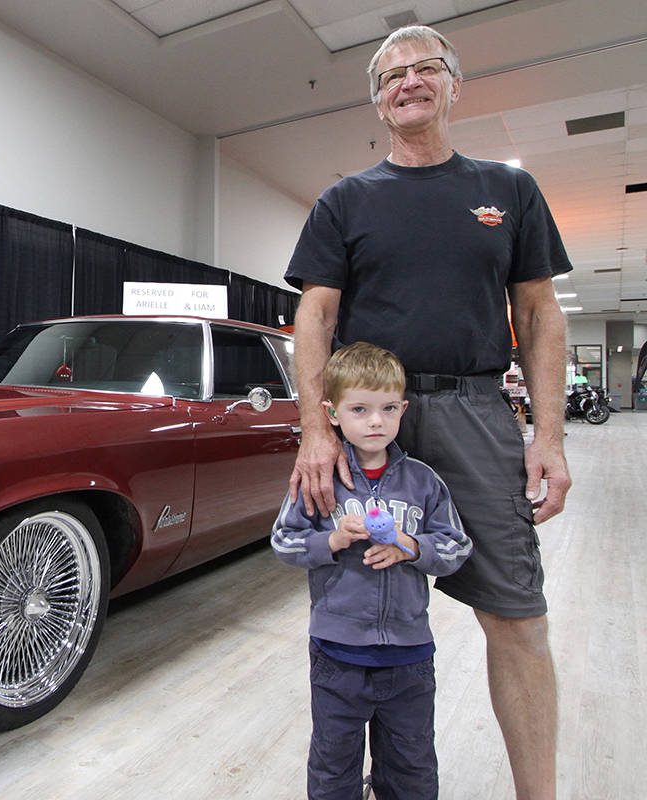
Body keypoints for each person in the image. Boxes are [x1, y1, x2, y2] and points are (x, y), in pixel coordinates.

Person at [284, 24, 572, 800]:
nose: (408, 80)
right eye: (391, 74)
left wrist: (548, 436)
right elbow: (314, 317)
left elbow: (542, 316)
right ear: (378, 100)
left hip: (476, 413)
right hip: (370, 420)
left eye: (425, 68)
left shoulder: (507, 192)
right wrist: (315, 428)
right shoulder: (346, 200)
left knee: (516, 617)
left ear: (454, 84)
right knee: (355, 606)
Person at [273, 341, 472, 799]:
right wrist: (335, 539)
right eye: (360, 409)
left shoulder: (424, 481)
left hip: (410, 657)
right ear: (333, 413)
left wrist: (409, 546)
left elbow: (456, 546)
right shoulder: (319, 479)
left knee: (412, 767)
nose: (376, 421)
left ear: (403, 409)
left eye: (387, 408)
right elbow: (284, 542)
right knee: (332, 765)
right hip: (336, 655)